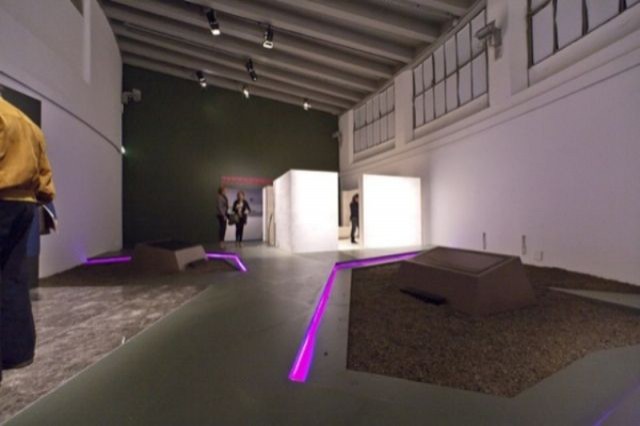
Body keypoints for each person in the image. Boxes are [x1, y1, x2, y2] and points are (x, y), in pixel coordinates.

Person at [0, 93, 55, 383]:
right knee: (12, 277)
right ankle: (17, 352)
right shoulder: (27, 122)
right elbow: (45, 178)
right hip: (24, 205)